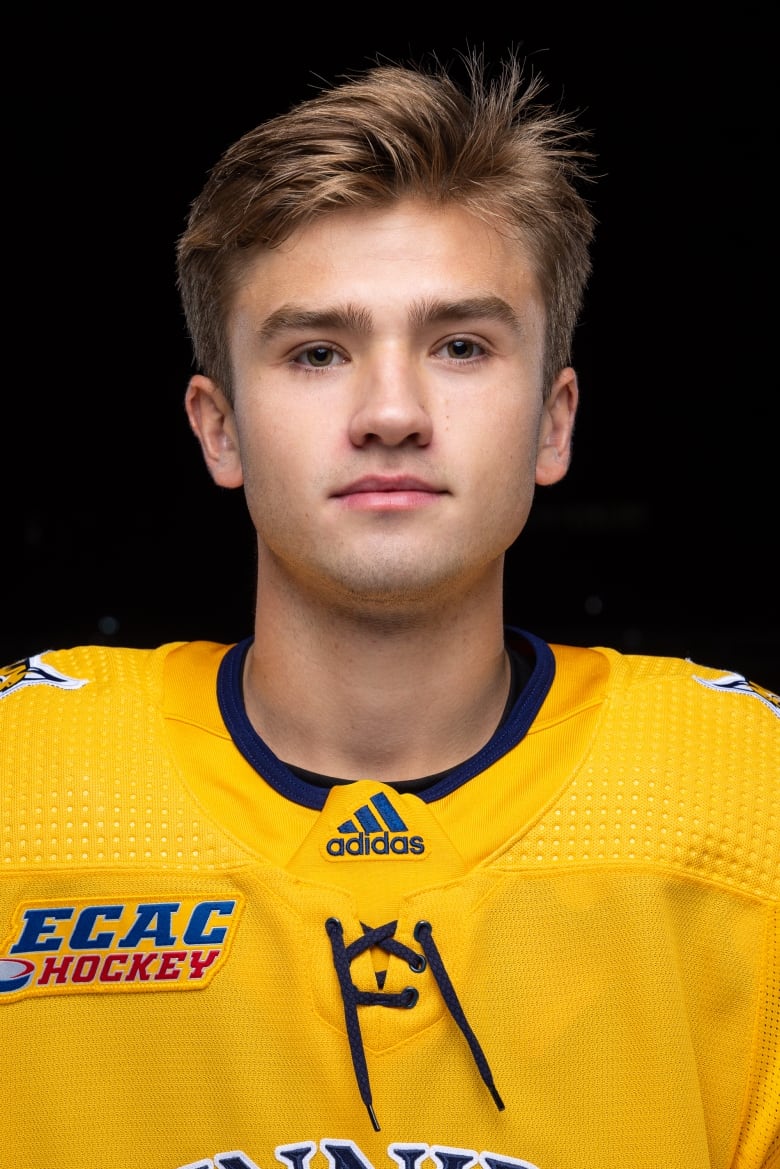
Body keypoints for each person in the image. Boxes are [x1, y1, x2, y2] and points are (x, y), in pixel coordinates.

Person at [1, 49, 777, 1169]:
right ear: (218, 426)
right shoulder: (27, 792)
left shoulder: (750, 806)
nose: (393, 411)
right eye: (318, 352)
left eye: (461, 345)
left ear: (555, 421)